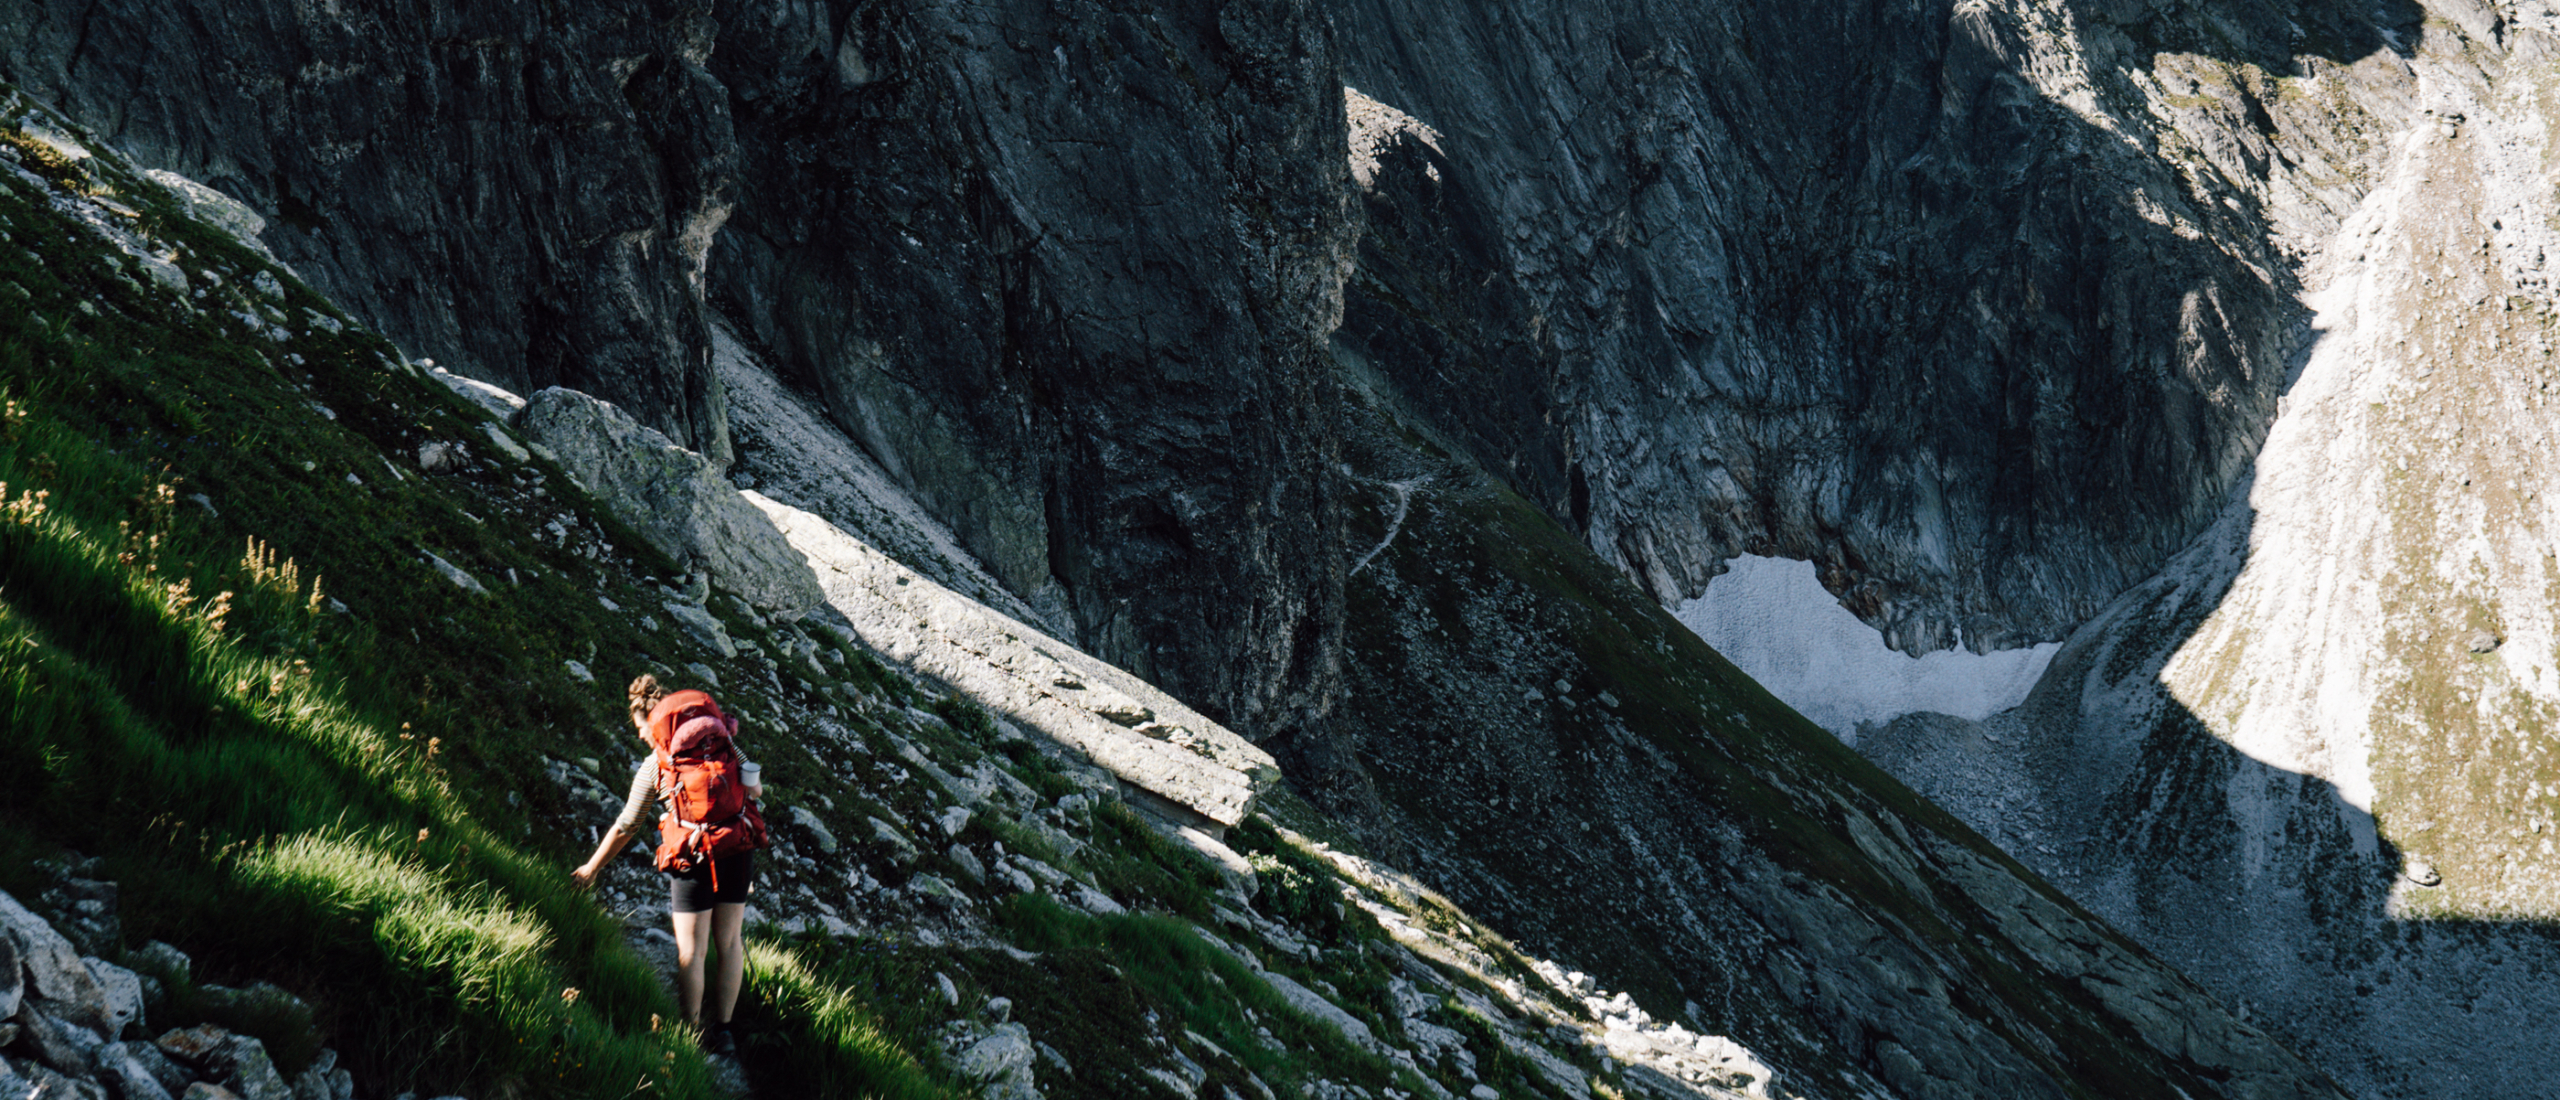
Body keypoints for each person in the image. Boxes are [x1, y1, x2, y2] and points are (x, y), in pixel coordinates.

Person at [572, 673, 762, 1055]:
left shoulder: (656, 764)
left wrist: (591, 869)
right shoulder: (722, 744)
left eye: (641, 728)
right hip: (736, 847)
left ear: (653, 721)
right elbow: (755, 789)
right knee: (729, 942)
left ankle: (691, 1033)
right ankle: (724, 1032)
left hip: (691, 855)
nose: (641, 735)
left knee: (692, 950)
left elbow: (627, 825)